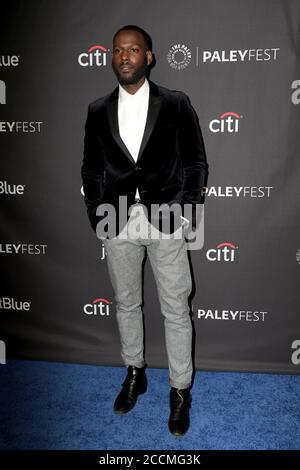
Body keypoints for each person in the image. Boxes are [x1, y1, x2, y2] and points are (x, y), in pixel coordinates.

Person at [81, 25, 208, 436]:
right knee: (126, 304)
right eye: (118, 50)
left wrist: (187, 213)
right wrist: (96, 213)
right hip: (116, 221)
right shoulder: (97, 110)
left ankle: (180, 390)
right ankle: (135, 373)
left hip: (167, 220)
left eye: (133, 49)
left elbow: (195, 163)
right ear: (111, 56)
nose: (124, 56)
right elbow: (90, 168)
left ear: (148, 57)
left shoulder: (175, 103)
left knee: (175, 308)